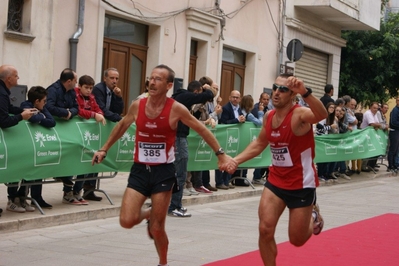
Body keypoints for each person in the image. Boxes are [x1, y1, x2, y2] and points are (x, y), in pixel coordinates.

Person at [91, 64, 231, 266]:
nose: (152, 82)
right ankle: (150, 213)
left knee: (157, 228)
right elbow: (122, 125)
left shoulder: (176, 109)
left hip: (164, 172)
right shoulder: (137, 106)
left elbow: (202, 129)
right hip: (140, 169)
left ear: (169, 85)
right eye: (151, 78)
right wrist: (104, 149)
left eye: (158, 79)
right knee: (126, 220)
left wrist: (221, 154)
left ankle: (163, 262)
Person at [223, 74, 327, 265]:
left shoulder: (299, 114)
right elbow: (259, 143)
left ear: (293, 95)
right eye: (275, 88)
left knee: (297, 239)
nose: (277, 92)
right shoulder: (269, 116)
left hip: (301, 183)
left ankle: (313, 215)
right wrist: (235, 160)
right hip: (276, 181)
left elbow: (322, 115)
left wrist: (306, 92)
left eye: (283, 89)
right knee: (265, 229)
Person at [168, 80, 215, 216]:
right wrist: (207, 89)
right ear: (196, 91)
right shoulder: (185, 96)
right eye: (198, 93)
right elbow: (207, 95)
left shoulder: (181, 99)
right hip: (178, 138)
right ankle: (174, 206)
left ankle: (171, 204)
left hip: (176, 137)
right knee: (180, 173)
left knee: (173, 173)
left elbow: (189, 119)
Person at [46, 68, 86, 205]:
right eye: (75, 81)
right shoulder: (53, 90)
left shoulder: (71, 92)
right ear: (69, 81)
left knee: (74, 157)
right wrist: (64, 112)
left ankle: (71, 192)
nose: (76, 83)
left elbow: (76, 107)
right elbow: (48, 107)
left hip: (69, 131)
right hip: (54, 130)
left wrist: (70, 113)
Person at [0, 65, 36, 213]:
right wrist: (22, 117)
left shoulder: (4, 92)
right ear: (9, 79)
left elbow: (8, 109)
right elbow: (3, 121)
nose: (18, 78)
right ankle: (12, 199)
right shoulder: (1, 93)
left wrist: (23, 110)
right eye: (16, 75)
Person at [88, 68, 125, 199]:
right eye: (112, 78)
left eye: (116, 78)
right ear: (105, 78)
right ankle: (84, 188)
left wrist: (119, 97)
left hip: (104, 127)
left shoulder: (114, 91)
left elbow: (119, 110)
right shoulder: (98, 89)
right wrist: (120, 120)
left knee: (99, 154)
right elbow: (102, 109)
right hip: (94, 127)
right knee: (91, 155)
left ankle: (90, 189)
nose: (114, 81)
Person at [21, 86, 56, 209]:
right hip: (26, 144)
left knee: (38, 170)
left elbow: (52, 122)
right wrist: (41, 117)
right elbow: (34, 119)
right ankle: (20, 197)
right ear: (36, 101)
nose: (45, 103)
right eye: (44, 101)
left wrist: (40, 117)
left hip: (38, 146)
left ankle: (37, 197)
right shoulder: (25, 105)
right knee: (27, 172)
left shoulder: (42, 107)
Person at [74, 75, 106, 201]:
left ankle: (78, 191)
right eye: (86, 88)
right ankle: (68, 192)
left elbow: (99, 110)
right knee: (74, 164)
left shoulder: (91, 97)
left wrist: (99, 114)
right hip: (76, 135)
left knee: (86, 164)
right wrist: (93, 115)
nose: (88, 90)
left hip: (88, 137)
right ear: (79, 86)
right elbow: (78, 111)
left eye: (91, 88)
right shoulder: (75, 95)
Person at [215, 90, 245, 189]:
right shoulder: (226, 108)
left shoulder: (239, 109)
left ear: (240, 99)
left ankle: (226, 181)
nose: (235, 99)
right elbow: (224, 122)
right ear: (229, 98)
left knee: (232, 158)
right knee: (222, 158)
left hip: (235, 138)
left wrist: (243, 120)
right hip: (225, 136)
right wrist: (237, 120)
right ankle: (219, 182)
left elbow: (240, 120)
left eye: (237, 97)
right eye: (233, 97)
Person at [251, 92, 270, 185]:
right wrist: (261, 111)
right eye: (264, 99)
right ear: (260, 99)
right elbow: (260, 122)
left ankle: (261, 176)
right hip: (256, 137)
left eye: (267, 99)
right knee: (257, 156)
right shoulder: (255, 108)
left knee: (264, 157)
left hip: (266, 136)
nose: (266, 101)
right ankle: (256, 177)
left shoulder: (268, 109)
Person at [388, 97, 399, 172]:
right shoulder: (395, 110)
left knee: (397, 149)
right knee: (393, 149)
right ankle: (390, 165)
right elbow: (393, 122)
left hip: (397, 131)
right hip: (394, 131)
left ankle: (395, 164)